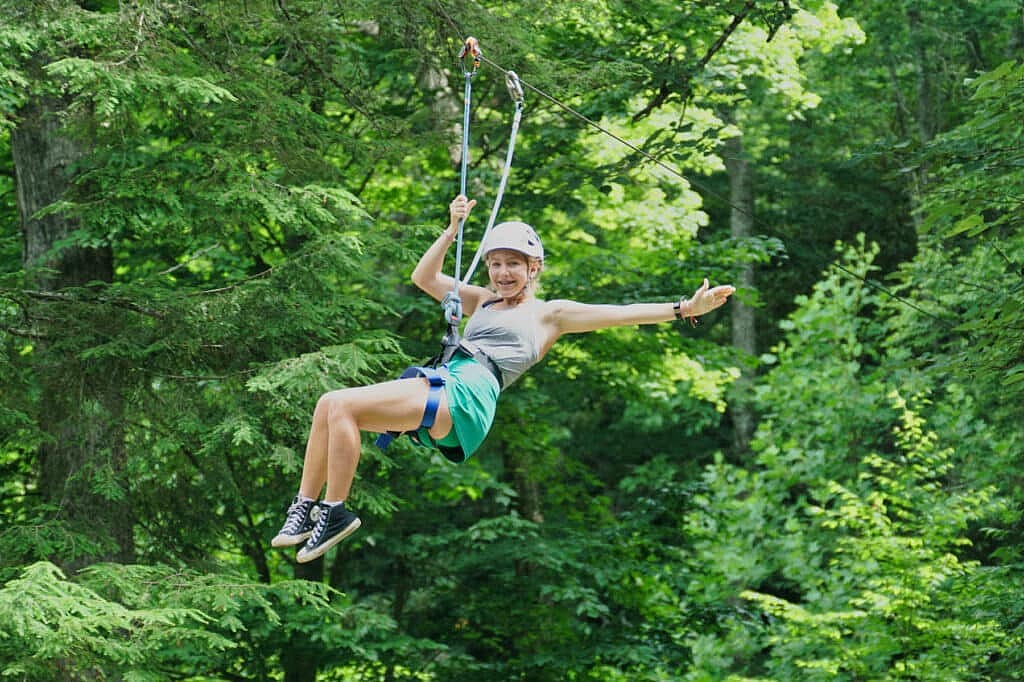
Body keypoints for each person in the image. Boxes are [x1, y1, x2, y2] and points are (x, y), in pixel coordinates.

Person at [272, 195, 736, 562]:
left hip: (471, 390)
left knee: (345, 406)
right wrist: (452, 230)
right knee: (330, 404)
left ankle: (334, 512)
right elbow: (424, 277)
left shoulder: (550, 314)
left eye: (513, 264)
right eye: (495, 264)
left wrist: (684, 309)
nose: (502, 273)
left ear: (534, 268)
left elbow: (621, 313)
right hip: (449, 381)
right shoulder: (484, 301)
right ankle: (306, 507)